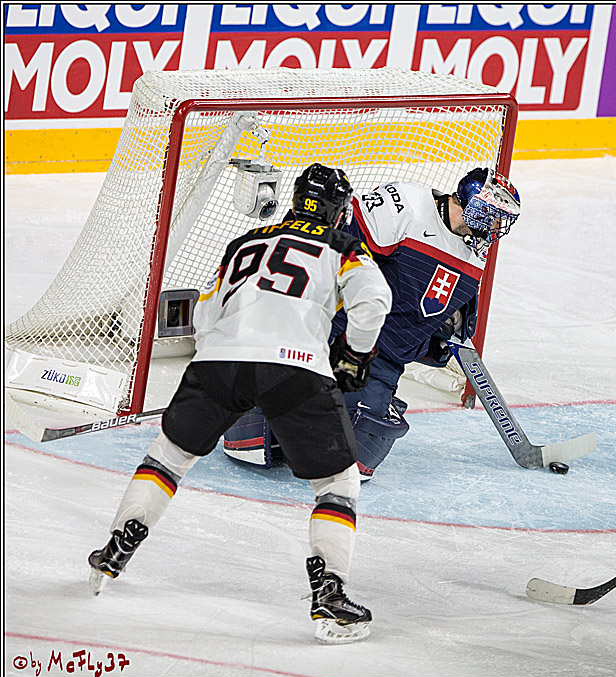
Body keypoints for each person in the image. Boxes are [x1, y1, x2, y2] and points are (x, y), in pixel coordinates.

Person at [87, 163, 392, 645]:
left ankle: (115, 548)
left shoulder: (246, 241)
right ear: (337, 211)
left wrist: (218, 361)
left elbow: (206, 310)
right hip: (295, 367)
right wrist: (353, 357)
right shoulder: (342, 246)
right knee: (337, 481)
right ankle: (330, 596)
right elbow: (374, 300)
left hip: (217, 362)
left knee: (169, 458)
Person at [223, 167, 521, 482]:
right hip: (334, 334)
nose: (491, 226)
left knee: (353, 456)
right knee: (255, 441)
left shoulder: (474, 261)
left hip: (379, 363)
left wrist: (438, 340)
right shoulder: (406, 205)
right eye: (487, 214)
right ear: (464, 202)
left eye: (498, 219)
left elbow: (421, 335)